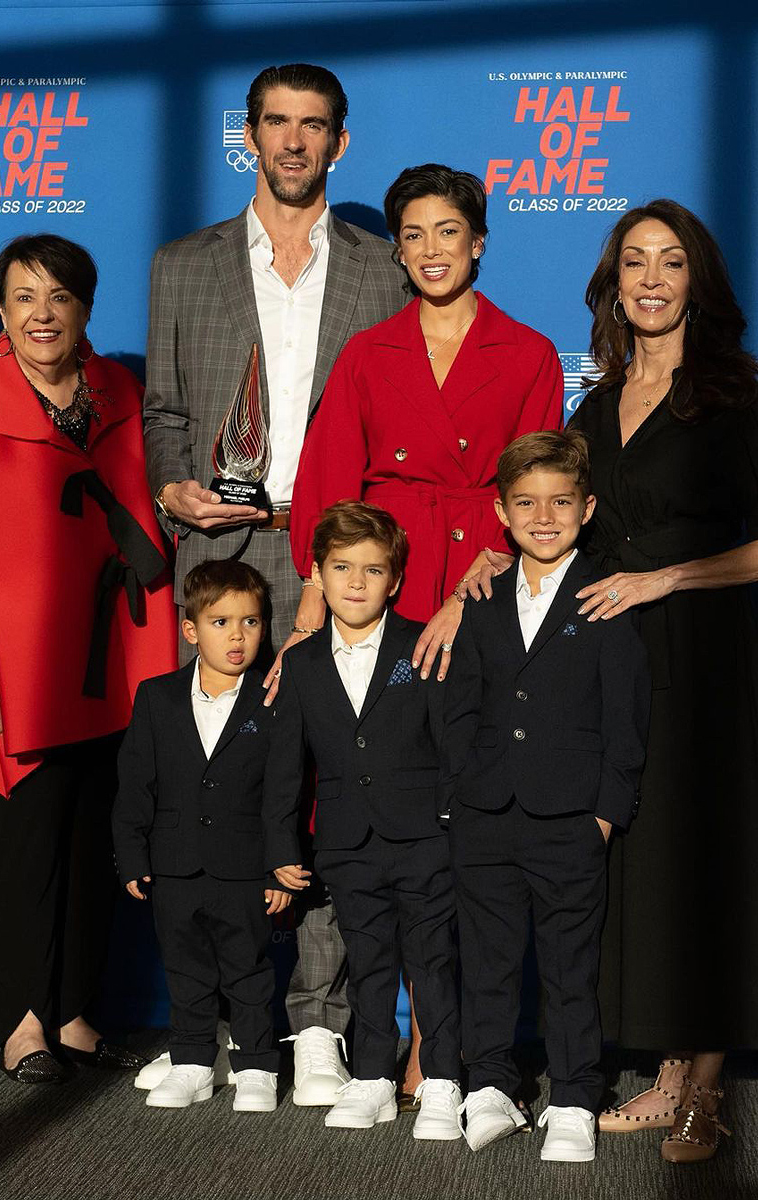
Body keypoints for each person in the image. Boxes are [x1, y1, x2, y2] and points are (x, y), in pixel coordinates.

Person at [143, 62, 407, 1103]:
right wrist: (173, 489)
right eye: (275, 124)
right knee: (218, 786)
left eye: (312, 126)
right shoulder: (181, 264)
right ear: (246, 135)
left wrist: (341, 563)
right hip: (219, 557)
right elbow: (163, 411)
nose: (292, 143)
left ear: (339, 143)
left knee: (333, 783)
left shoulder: (385, 270)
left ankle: (315, 1026)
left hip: (338, 558)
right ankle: (216, 1027)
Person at [286, 162, 564, 1095]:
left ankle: (438, 1040)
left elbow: (527, 496)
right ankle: (385, 1028)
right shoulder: (369, 353)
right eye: (413, 234)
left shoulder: (526, 354)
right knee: (383, 814)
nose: (432, 250)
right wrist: (309, 622)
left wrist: (464, 589)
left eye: (449, 231)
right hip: (383, 595)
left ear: (478, 241)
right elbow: (328, 496)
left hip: (481, 602)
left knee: (467, 813)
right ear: (396, 250)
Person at [0, 234, 176, 1083]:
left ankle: (74, 1014)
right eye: (24, 297)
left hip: (106, 661)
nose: (42, 314)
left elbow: (143, 520)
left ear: (86, 309)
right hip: (9, 669)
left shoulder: (118, 394)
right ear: (2, 312)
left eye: (58, 297)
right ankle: (21, 1023)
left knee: (95, 836)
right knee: (23, 848)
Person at [566, 199, 758, 1162]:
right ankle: (666, 1068)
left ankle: (703, 1090)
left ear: (697, 282)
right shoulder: (592, 408)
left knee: (704, 858)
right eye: (633, 260)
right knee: (638, 859)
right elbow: (562, 527)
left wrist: (669, 576)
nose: (650, 277)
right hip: (616, 665)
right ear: (613, 283)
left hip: (710, 656)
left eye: (670, 261)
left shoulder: (736, 395)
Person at [444, 431, 650, 1162]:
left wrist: (604, 812)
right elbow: (458, 705)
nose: (542, 515)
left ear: (586, 508)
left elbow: (625, 716)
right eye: (525, 503)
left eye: (560, 502)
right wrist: (462, 793)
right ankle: (492, 1084)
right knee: (489, 958)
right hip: (485, 815)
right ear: (500, 512)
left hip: (569, 818)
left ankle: (571, 1094)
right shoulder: (481, 596)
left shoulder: (605, 598)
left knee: (569, 965)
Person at [266, 501, 460, 1137]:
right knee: (370, 959)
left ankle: (441, 1077)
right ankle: (375, 1074)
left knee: (433, 959)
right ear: (316, 575)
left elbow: (452, 745)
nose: (355, 582)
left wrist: (450, 821)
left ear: (395, 581)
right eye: (341, 568)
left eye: (372, 571)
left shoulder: (423, 644)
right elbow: (286, 769)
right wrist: (281, 844)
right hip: (347, 842)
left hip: (425, 836)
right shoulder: (299, 662)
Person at [114, 559, 292, 1113]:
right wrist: (132, 856)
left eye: (251, 622)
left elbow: (282, 792)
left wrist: (278, 865)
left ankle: (258, 1064)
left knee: (248, 970)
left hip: (244, 868)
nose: (238, 636)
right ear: (190, 630)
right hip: (174, 865)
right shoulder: (156, 696)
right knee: (185, 968)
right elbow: (135, 784)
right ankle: (192, 1060)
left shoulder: (277, 696)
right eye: (220, 623)